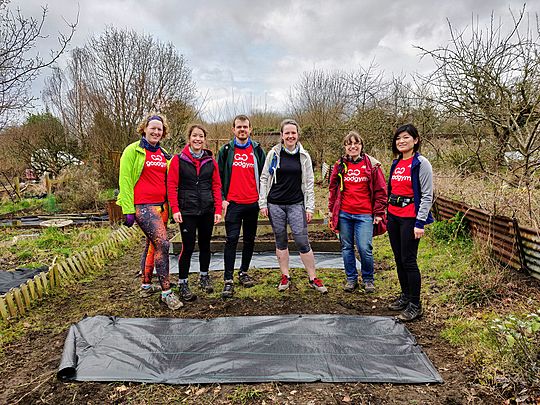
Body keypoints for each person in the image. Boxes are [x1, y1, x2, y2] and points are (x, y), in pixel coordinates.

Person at [117, 113, 182, 310]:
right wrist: (128, 209)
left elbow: (171, 182)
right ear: (144, 129)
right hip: (143, 207)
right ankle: (166, 292)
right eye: (152, 128)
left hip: (161, 207)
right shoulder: (132, 151)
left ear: (163, 133)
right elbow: (125, 181)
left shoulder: (164, 154)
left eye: (159, 129)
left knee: (152, 244)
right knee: (163, 244)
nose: (156, 131)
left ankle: (146, 285)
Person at [259, 119, 328, 294]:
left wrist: (310, 207)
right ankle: (285, 276)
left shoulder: (304, 155)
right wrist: (263, 203)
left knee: (301, 240)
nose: (290, 136)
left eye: (293, 133)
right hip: (275, 204)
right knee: (280, 239)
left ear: (297, 135)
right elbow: (264, 178)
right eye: (287, 133)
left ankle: (313, 278)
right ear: (281, 135)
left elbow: (310, 182)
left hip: (296, 203)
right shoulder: (274, 154)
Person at [167, 124, 222, 301]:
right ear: (189, 138)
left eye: (201, 136)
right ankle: (183, 282)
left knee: (206, 245)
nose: (198, 139)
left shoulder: (210, 161)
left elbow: (216, 186)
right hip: (187, 211)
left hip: (207, 209)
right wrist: (175, 209)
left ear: (205, 140)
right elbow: (172, 186)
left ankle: (204, 276)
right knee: (188, 247)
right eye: (194, 136)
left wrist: (218, 209)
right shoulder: (178, 160)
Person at [328, 131, 387, 294]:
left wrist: (379, 212)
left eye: (356, 143)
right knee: (347, 247)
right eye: (349, 144)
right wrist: (332, 211)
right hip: (344, 214)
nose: (353, 146)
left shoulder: (372, 165)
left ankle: (368, 279)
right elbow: (333, 188)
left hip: (364, 215)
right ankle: (351, 279)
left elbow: (381, 190)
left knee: (364, 247)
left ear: (361, 145)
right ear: (345, 147)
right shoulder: (339, 165)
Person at [386, 123, 434, 321]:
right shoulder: (396, 164)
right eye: (398, 138)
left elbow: (427, 195)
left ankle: (415, 304)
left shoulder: (421, 163)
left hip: (410, 218)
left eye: (406, 137)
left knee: (409, 260)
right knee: (398, 258)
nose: (401, 141)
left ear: (415, 140)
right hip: (393, 216)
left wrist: (420, 222)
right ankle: (405, 295)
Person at [217, 114, 266, 298]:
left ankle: (243, 272)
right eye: (239, 127)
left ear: (250, 129)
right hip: (233, 204)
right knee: (231, 240)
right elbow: (218, 178)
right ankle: (228, 279)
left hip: (253, 203)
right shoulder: (226, 150)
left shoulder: (257, 150)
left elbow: (264, 176)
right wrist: (222, 198)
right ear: (233, 129)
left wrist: (263, 199)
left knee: (249, 240)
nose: (242, 130)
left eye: (245, 127)